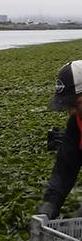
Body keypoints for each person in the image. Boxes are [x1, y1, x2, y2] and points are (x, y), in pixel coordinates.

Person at [38, 61, 82, 218]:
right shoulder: (77, 123)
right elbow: (65, 167)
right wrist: (50, 204)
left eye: (75, 104)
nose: (71, 111)